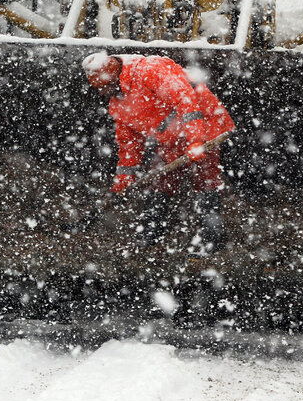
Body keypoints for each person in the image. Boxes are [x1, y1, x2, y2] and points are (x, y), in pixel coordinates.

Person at [83, 51, 234, 252]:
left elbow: (186, 101)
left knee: (205, 180)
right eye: (99, 89)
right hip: (173, 138)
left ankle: (210, 238)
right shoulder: (118, 104)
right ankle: (151, 234)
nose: (103, 93)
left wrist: (196, 140)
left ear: (113, 76)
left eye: (104, 86)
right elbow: (129, 145)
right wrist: (123, 182)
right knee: (160, 183)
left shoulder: (150, 70)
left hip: (205, 124)